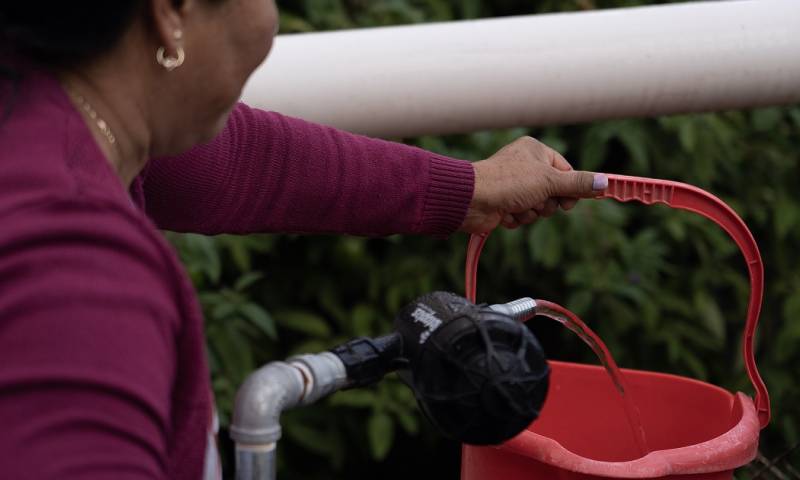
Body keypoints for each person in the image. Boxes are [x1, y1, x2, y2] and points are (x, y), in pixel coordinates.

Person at [0, 1, 607, 478]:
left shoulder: (56, 107)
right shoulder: (75, 272)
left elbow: (235, 163)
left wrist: (470, 189)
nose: (271, 21)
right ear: (169, 11)